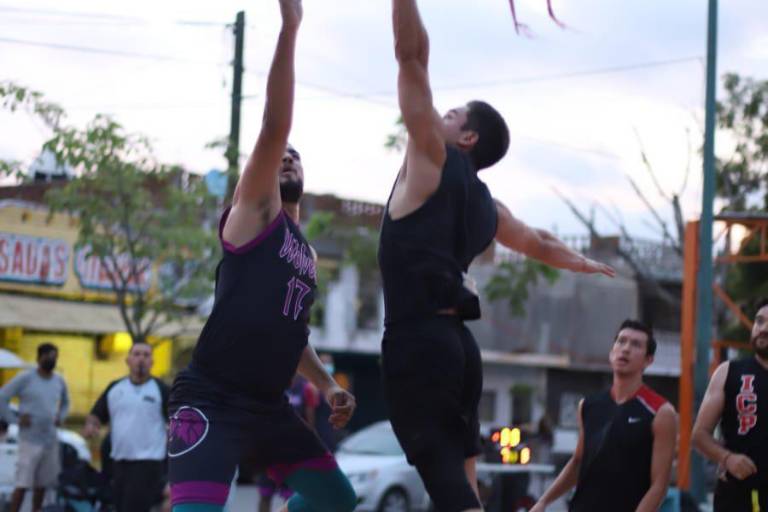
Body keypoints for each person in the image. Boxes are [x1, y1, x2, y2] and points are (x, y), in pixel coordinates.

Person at [378, 1, 615, 511]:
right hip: (462, 351)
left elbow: (410, 55)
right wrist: (585, 263)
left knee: (442, 477)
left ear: (467, 137)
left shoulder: (430, 157)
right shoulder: (489, 206)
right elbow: (540, 243)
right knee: (464, 475)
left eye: (453, 113)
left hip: (419, 342)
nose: (442, 112)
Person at [166, 2, 357, 511]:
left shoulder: (307, 253)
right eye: (281, 154)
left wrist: (327, 385)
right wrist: (290, 30)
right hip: (212, 398)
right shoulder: (253, 214)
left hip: (269, 408)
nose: (288, 155)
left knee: (336, 501)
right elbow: (274, 125)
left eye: (298, 154)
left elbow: (292, 335)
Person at [531, 320, 677, 512]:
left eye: (636, 344)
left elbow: (659, 485)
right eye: (621, 341)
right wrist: (543, 501)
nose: (625, 349)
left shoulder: (660, 411)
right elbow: (578, 462)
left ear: (648, 360)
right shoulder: (589, 405)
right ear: (611, 352)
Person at [692, 298, 768, 511]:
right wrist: (727, 458)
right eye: (759, 321)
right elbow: (699, 435)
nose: (763, 329)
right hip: (736, 494)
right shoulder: (728, 371)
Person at [82, 342, 170, 512]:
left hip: (149, 462)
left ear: (152, 361)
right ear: (128, 360)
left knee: (134, 507)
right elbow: (97, 415)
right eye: (136, 354)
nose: (141, 359)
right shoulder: (115, 388)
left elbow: (175, 420)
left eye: (146, 355)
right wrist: (91, 426)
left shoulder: (162, 390)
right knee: (120, 506)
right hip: (119, 462)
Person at [0, 342, 69, 512]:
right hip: (30, 439)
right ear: (39, 358)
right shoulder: (26, 378)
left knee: (42, 484)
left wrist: (61, 416)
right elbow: (2, 397)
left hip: (50, 439)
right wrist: (14, 419)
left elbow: (66, 401)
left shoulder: (59, 380)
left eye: (54, 357)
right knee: (23, 483)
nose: (51, 360)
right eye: (48, 357)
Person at [257, 375, 320, 512]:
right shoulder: (270, 385)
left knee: (290, 499)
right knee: (265, 495)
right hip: (269, 452)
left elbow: (310, 426)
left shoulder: (307, 388)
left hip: (292, 453)